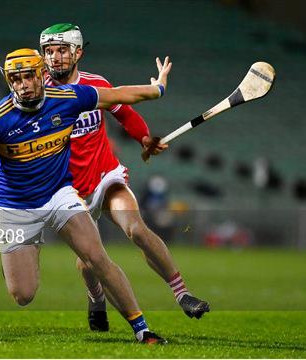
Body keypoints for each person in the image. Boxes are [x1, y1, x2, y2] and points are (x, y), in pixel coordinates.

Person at [0, 48, 172, 344]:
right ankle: (27, 249)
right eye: (15, 79)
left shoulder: (69, 99)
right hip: (17, 206)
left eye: (28, 77)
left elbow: (120, 96)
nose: (23, 84)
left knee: (97, 257)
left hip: (59, 194)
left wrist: (157, 89)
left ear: (40, 74)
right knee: (23, 294)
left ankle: (142, 330)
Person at [39, 23, 209, 331]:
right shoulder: (38, 94)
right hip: (67, 191)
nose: (55, 58)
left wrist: (144, 139)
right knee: (90, 260)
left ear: (78, 52)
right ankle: (96, 298)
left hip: (105, 175)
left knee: (137, 229)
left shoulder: (95, 84)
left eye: (62, 50)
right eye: (49, 51)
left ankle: (182, 293)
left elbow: (125, 112)